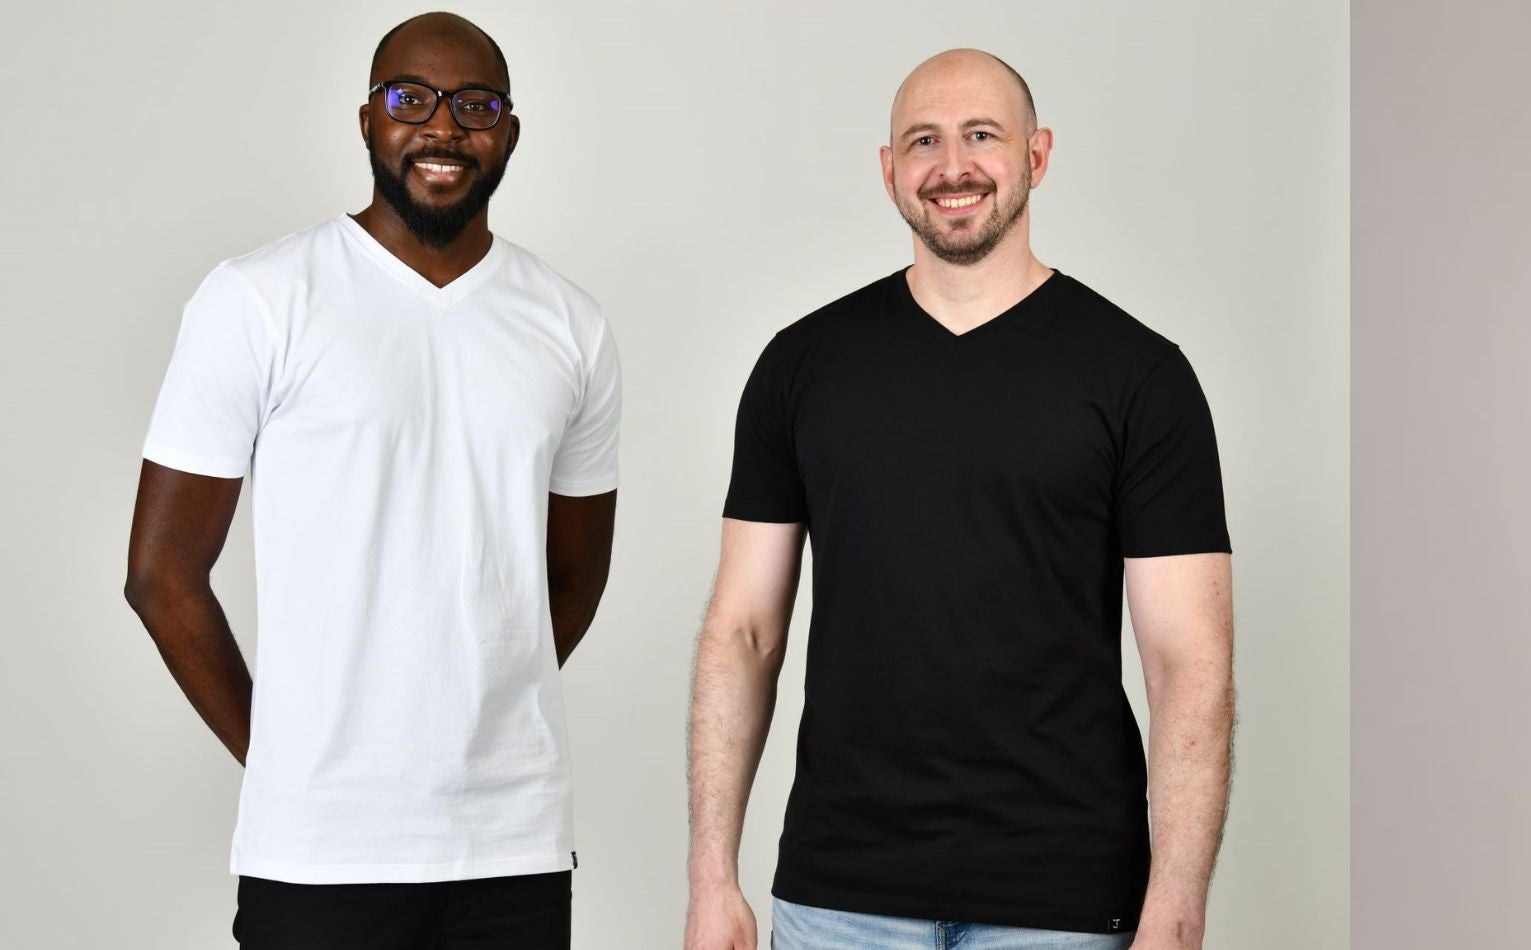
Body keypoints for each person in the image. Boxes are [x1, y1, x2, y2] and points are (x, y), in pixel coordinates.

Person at [685, 48, 1237, 950]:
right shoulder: (801, 366)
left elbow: (1189, 663)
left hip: (1062, 901)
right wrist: (712, 878)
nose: (952, 167)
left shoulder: (1141, 376)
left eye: (982, 135)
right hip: (838, 899)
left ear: (1036, 155)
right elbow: (742, 632)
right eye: (923, 141)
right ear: (888, 170)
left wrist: (1174, 912)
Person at [124, 12, 620, 948]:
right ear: (367, 122)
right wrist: (283, 758)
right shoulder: (260, 299)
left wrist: (475, 713)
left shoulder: (570, 326)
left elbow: (570, 581)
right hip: (320, 854)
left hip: (511, 852)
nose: (442, 127)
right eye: (411, 100)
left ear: (508, 132)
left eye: (475, 105)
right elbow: (160, 575)